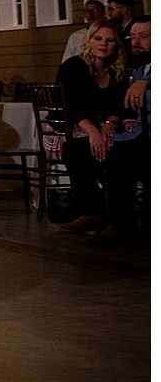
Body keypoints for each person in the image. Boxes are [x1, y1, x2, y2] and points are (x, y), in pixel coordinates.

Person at [52, 23, 139, 239]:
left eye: (109, 40)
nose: (103, 44)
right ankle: (92, 211)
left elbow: (122, 104)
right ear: (89, 41)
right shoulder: (74, 66)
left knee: (119, 151)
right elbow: (70, 105)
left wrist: (110, 122)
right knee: (76, 150)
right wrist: (93, 131)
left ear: (117, 45)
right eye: (98, 39)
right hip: (75, 124)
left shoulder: (118, 70)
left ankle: (119, 219)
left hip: (108, 125)